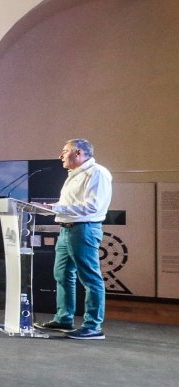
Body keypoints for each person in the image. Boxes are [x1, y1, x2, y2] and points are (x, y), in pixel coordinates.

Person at [38, 138, 113, 340]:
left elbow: (92, 207)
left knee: (90, 277)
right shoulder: (73, 175)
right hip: (66, 229)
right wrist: (49, 208)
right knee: (62, 274)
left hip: (84, 229)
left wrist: (55, 208)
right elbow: (71, 204)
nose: (60, 156)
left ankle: (93, 326)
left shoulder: (97, 173)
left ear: (78, 153)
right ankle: (64, 319)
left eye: (65, 151)